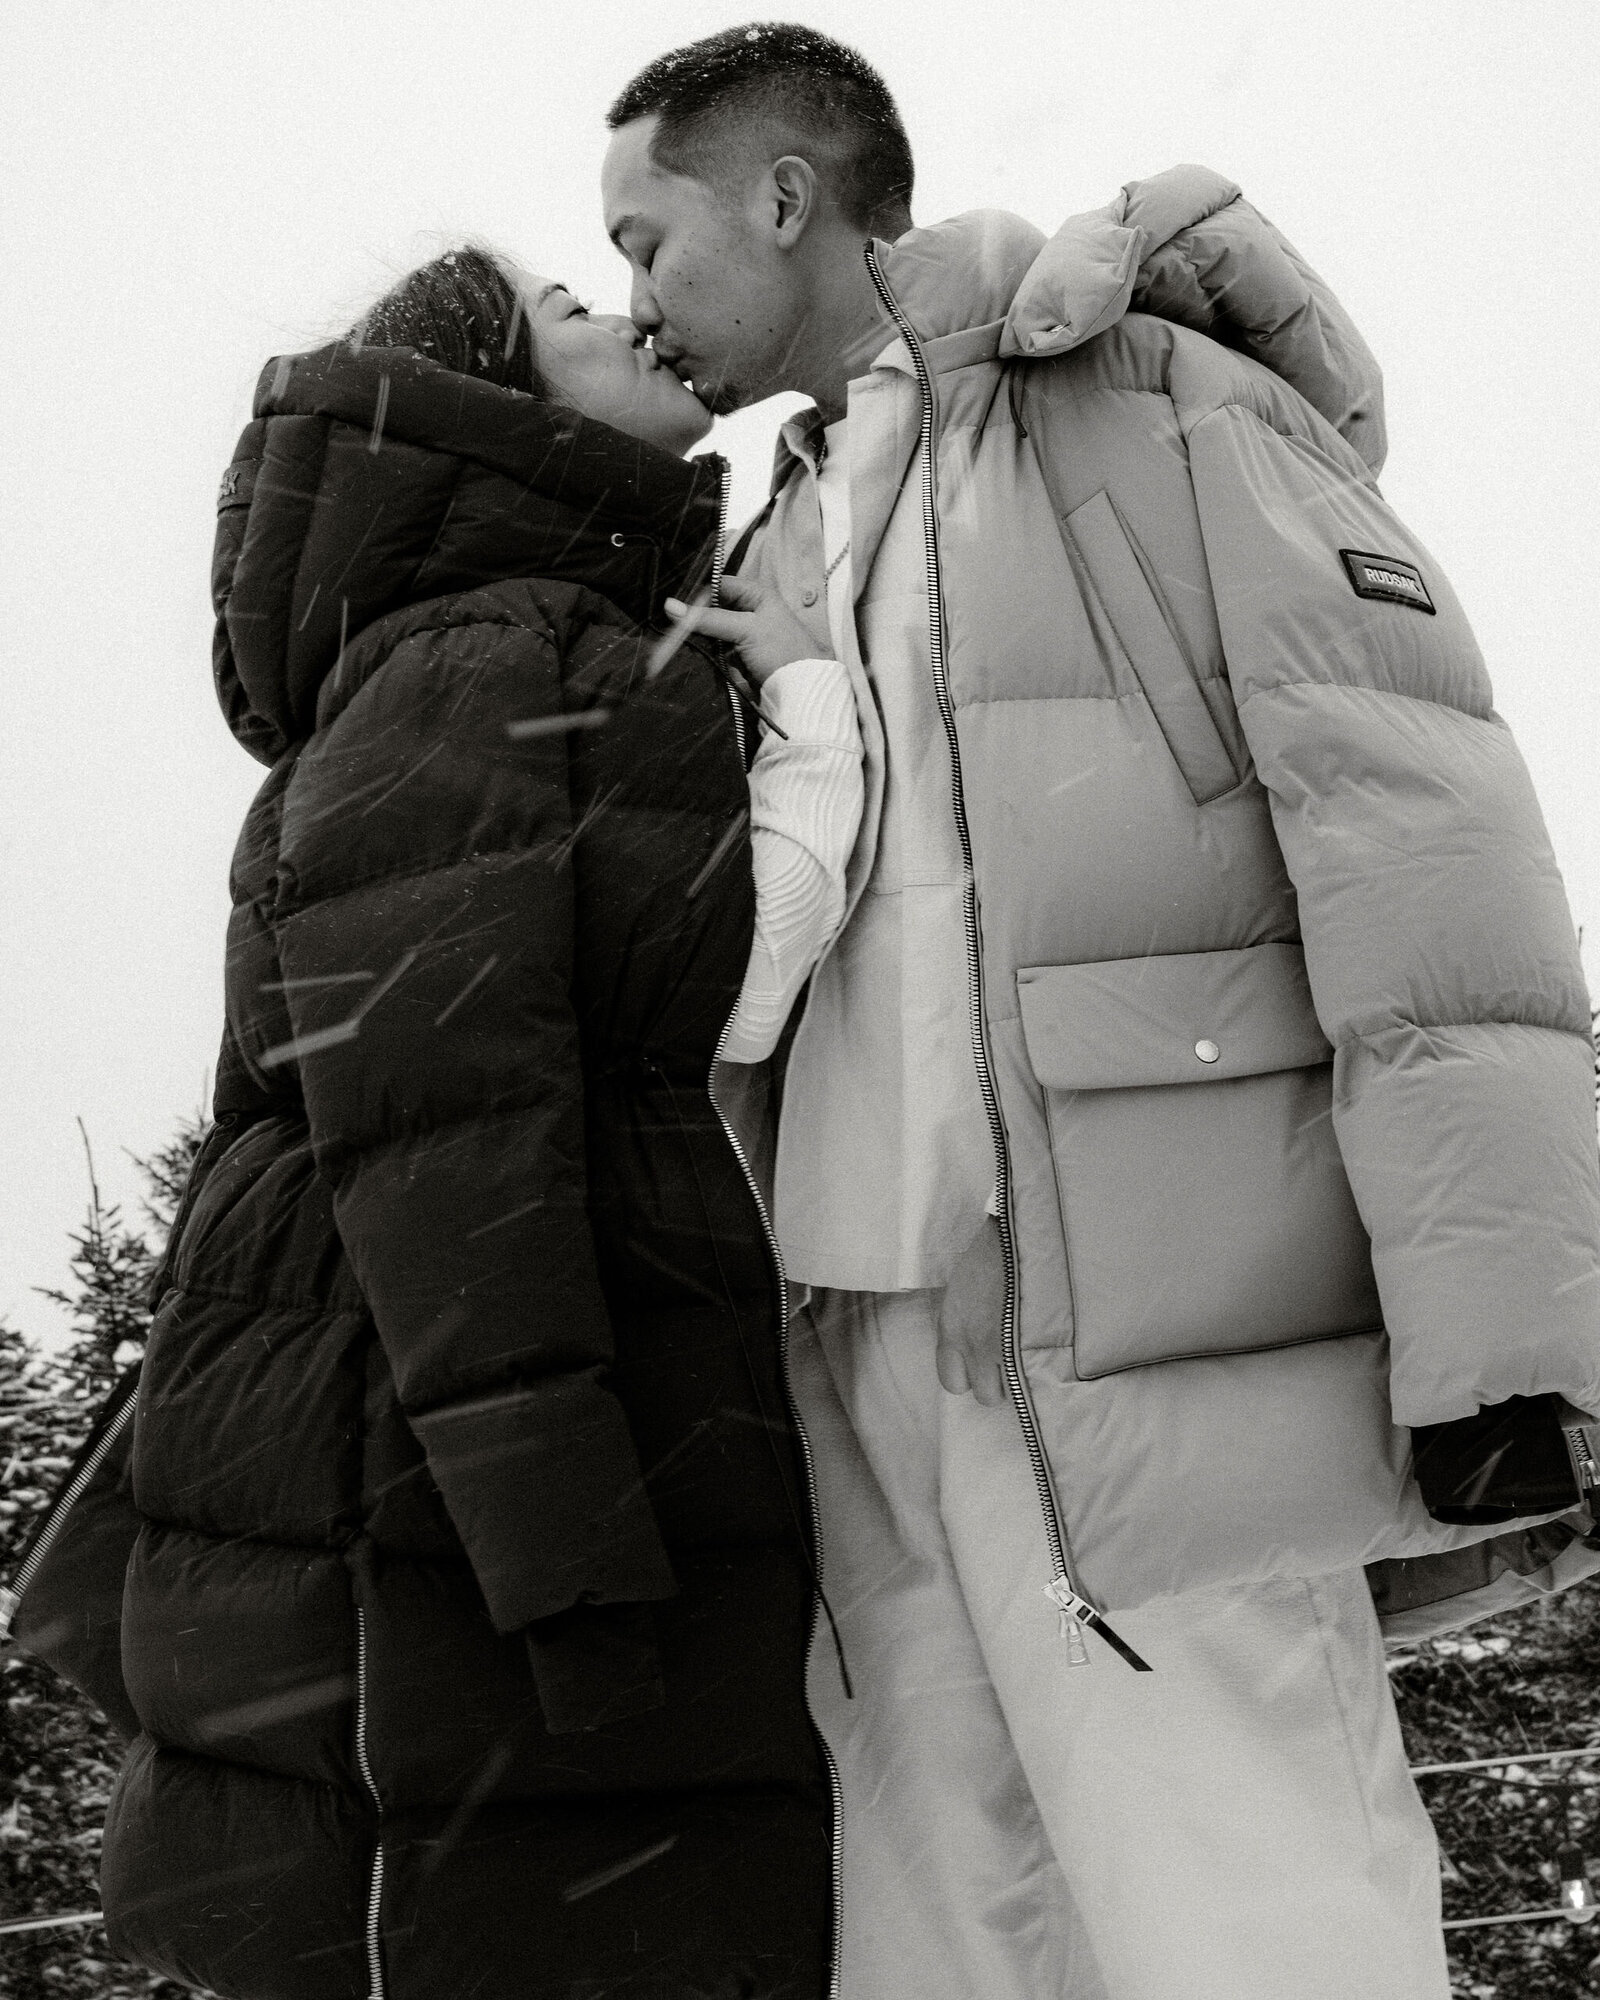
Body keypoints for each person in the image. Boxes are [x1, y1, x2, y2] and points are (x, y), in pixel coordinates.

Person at [601, 23, 1600, 2000]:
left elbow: (1413, 821)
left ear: (782, 198)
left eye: (646, 238)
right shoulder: (771, 532)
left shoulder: (1137, 403)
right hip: (848, 1358)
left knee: (1251, 1917)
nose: (636, 296)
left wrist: (1509, 1335)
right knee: (934, 1940)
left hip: (1127, 1334)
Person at [43, 242, 861, 1998]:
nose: (630, 313)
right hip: (461, 1503)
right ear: (498, 401)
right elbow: (544, 1092)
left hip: (390, 1463)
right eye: (571, 311)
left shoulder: (457, 657)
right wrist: (808, 698)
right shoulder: (507, 653)